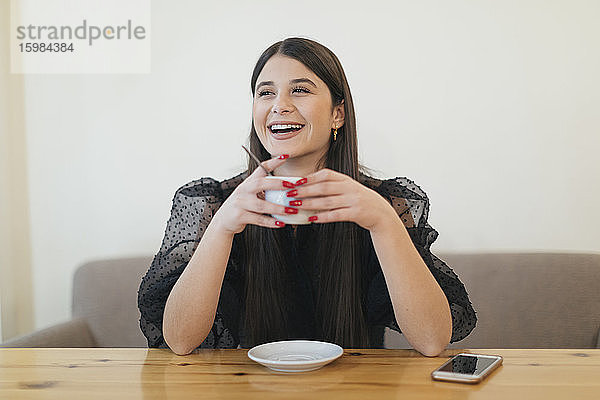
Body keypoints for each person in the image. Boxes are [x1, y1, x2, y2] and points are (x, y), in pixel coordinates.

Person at [137, 37, 476, 356]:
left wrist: (383, 221)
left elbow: (432, 341)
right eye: (265, 93)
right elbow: (180, 341)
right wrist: (223, 226)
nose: (279, 106)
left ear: (337, 114)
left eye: (299, 90)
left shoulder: (384, 203)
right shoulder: (213, 203)